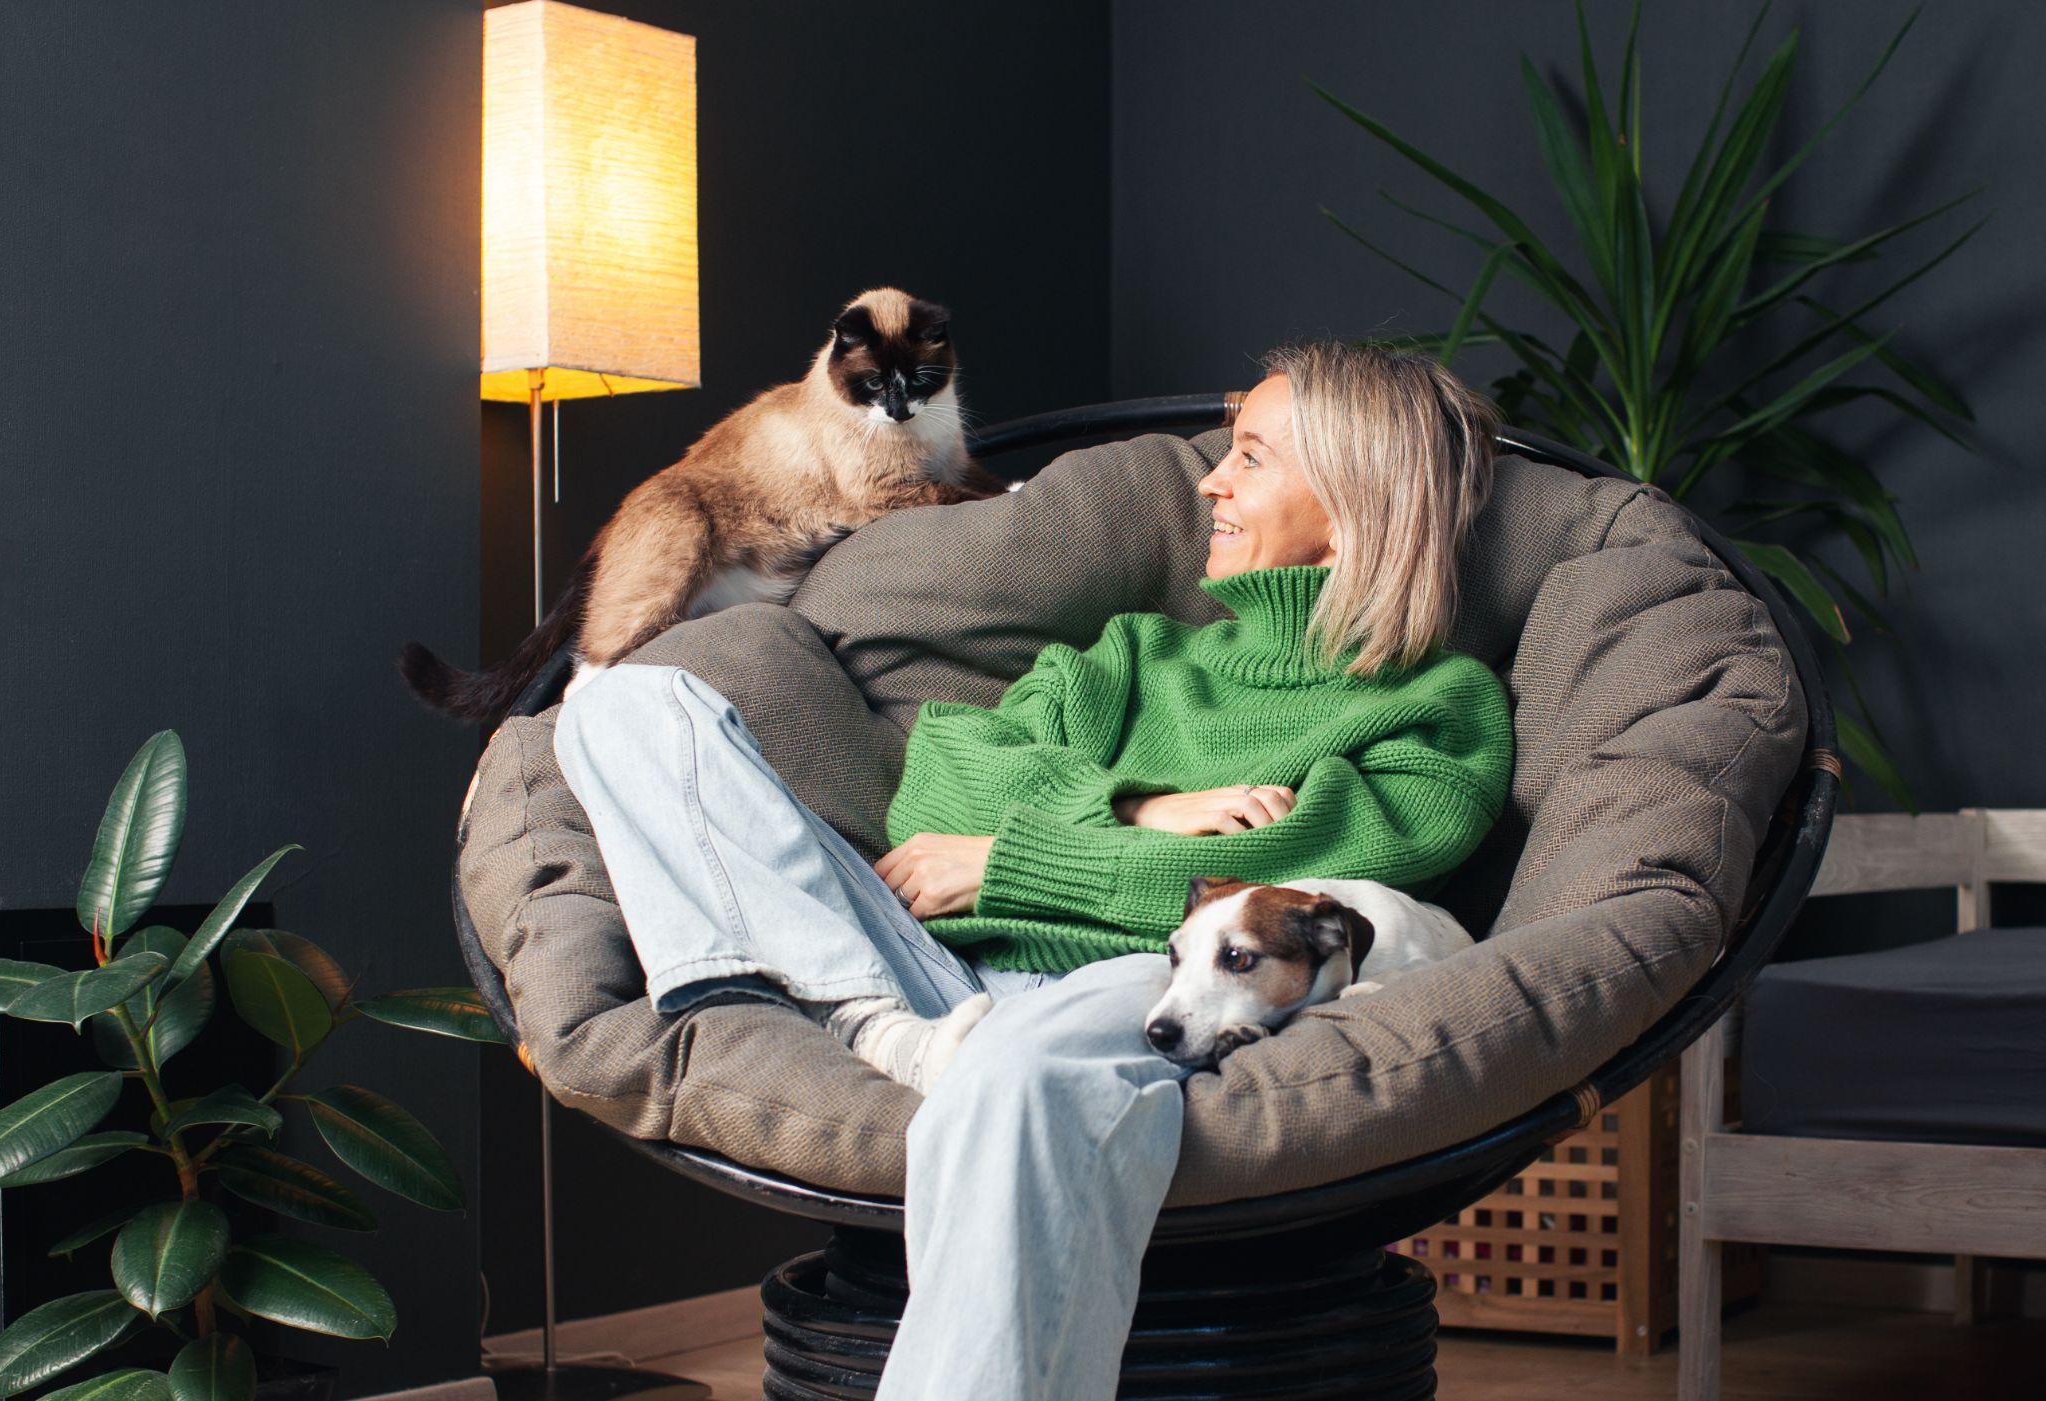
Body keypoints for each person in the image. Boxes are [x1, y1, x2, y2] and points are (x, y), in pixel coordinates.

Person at [552, 339, 1516, 1398]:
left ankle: (909, 1041)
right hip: (921, 977)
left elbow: (1307, 880)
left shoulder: (1436, 708)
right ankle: (883, 1030)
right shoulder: (1131, 654)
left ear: (1353, 496)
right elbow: (945, 787)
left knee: (1019, 1072)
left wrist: (1011, 863)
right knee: (625, 707)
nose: (1210, 481)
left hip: (1142, 988)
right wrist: (1147, 810)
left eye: (1249, 458)